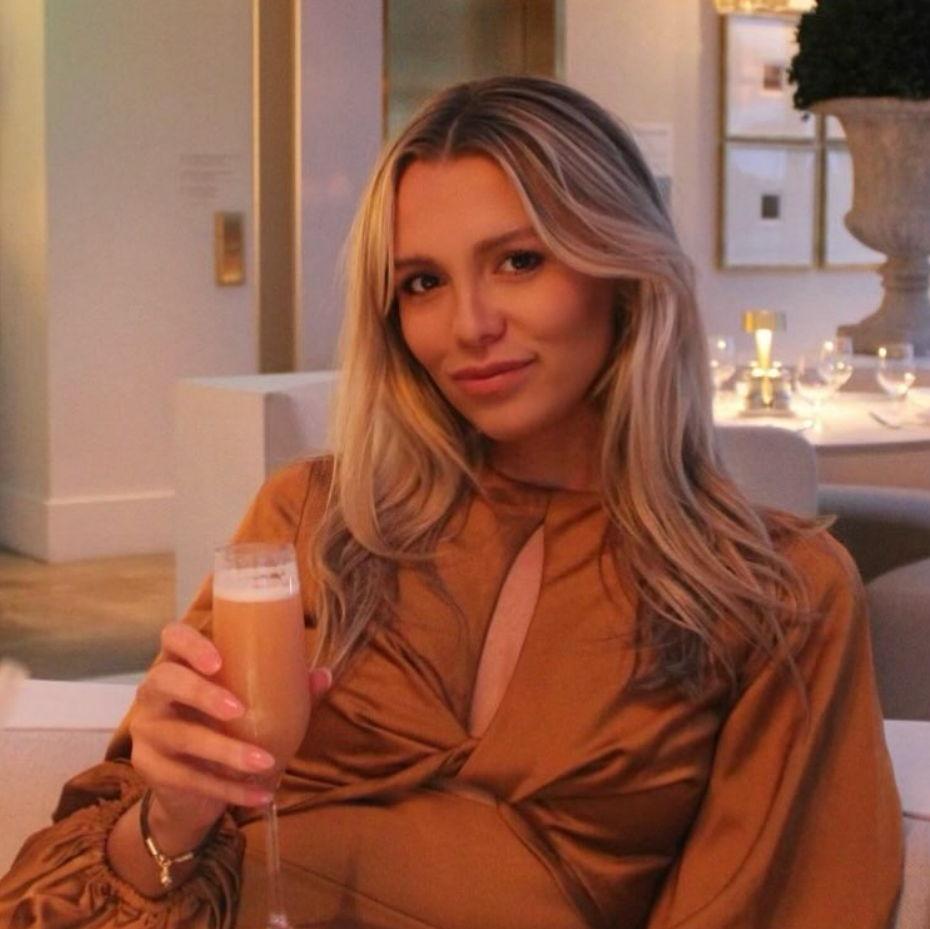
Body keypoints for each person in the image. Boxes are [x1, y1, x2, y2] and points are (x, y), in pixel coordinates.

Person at [0, 76, 902, 929]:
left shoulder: (775, 592)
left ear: (624, 270)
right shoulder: (312, 520)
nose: (469, 326)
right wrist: (171, 814)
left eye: (519, 260)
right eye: (422, 282)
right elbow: (54, 892)